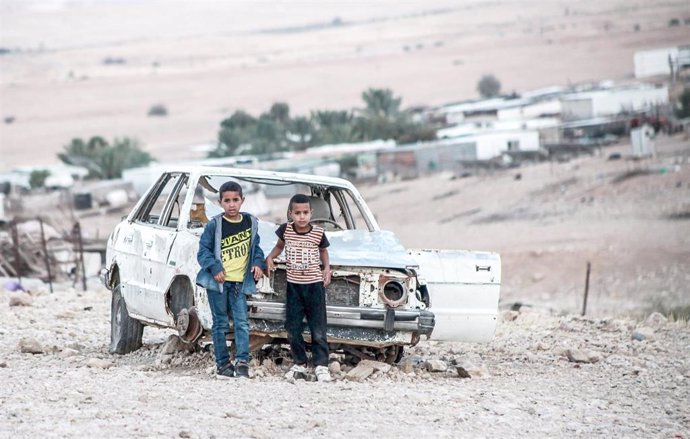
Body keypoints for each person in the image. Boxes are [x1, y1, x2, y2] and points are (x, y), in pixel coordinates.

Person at [196, 181, 265, 379]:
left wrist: (258, 264)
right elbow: (203, 252)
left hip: (239, 284)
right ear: (220, 202)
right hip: (218, 284)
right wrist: (215, 267)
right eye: (227, 201)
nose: (232, 205)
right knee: (220, 323)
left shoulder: (250, 223)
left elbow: (256, 248)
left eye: (235, 200)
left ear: (242, 200)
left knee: (242, 323)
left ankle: (242, 362)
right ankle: (223, 364)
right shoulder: (215, 225)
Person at [265, 194, 332, 382]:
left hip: (314, 286)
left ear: (311, 213)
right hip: (294, 287)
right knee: (293, 328)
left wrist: (326, 268)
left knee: (318, 327)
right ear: (290, 214)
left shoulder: (318, 233)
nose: (301, 217)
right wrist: (270, 257)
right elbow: (279, 247)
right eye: (297, 213)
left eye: (305, 213)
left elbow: (323, 251)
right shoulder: (285, 230)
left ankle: (321, 365)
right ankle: (300, 363)